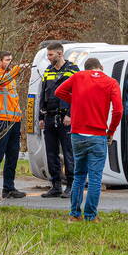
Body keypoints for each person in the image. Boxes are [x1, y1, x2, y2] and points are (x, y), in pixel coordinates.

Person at [54, 57, 123, 223]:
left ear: (86, 68)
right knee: (95, 178)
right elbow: (118, 110)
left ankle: (74, 215)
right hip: (98, 135)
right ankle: (91, 216)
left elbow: (58, 92)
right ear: (101, 67)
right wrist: (111, 130)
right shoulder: (110, 82)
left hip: (77, 134)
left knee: (78, 175)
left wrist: (76, 101)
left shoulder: (78, 77)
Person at [39, 43, 79, 198]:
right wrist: (41, 117)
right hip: (49, 117)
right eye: (48, 55)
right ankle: (56, 186)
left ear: (60, 53)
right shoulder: (48, 70)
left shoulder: (72, 70)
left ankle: (71, 185)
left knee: (69, 153)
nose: (48, 58)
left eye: (51, 55)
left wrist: (70, 114)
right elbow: (44, 94)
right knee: (51, 153)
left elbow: (77, 94)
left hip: (65, 118)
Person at [0, 51, 29, 201]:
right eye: (7, 60)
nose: (10, 62)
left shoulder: (11, 78)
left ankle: (9, 188)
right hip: (0, 121)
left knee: (13, 156)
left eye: (11, 60)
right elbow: (1, 82)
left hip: (14, 121)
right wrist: (18, 69)